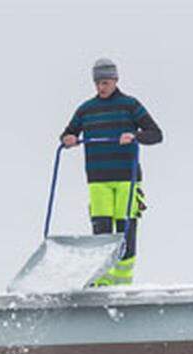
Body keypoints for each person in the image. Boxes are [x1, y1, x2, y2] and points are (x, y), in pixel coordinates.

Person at [61, 58, 163, 286]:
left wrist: (135, 136)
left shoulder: (130, 105)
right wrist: (67, 139)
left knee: (125, 230)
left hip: (126, 179)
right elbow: (68, 133)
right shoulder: (86, 109)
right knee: (102, 233)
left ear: (116, 80)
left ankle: (123, 281)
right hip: (98, 181)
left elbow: (156, 134)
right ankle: (102, 280)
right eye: (97, 83)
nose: (101, 88)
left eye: (105, 82)